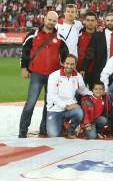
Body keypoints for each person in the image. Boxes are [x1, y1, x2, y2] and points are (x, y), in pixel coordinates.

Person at [19, 10, 69, 138]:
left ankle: (44, 129)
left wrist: (64, 65)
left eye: (54, 20)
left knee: (49, 104)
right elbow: (25, 51)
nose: (51, 22)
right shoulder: (33, 34)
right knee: (30, 103)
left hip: (53, 76)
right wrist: (24, 67)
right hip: (36, 74)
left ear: (57, 22)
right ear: (44, 18)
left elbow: (65, 54)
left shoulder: (59, 37)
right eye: (49, 19)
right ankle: (23, 130)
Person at [46, 54, 90, 138]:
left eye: (72, 64)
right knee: (54, 135)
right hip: (55, 109)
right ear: (63, 63)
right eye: (67, 63)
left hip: (70, 107)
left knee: (79, 112)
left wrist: (95, 94)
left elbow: (83, 90)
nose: (69, 66)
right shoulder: (54, 76)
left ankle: (71, 128)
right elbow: (52, 96)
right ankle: (62, 123)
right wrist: (66, 106)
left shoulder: (77, 76)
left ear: (75, 65)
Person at [81, 12, 113, 85]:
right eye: (108, 20)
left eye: (112, 20)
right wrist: (83, 68)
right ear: (105, 21)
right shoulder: (98, 35)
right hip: (102, 68)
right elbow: (90, 53)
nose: (110, 23)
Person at [77, 12, 98, 86]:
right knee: (78, 96)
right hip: (80, 70)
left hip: (95, 71)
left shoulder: (101, 35)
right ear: (84, 21)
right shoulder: (78, 34)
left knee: (95, 96)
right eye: (88, 20)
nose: (90, 22)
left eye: (92, 20)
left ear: (96, 22)